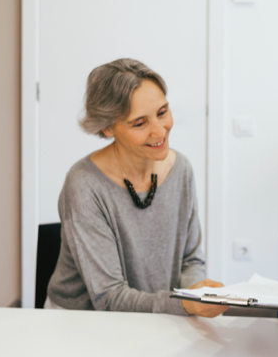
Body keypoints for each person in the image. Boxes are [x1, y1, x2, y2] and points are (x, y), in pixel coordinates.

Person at [45, 58, 227, 318]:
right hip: (80, 321)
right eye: (140, 123)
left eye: (162, 112)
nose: (159, 131)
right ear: (107, 127)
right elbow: (108, 298)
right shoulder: (84, 184)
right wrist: (184, 304)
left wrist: (196, 292)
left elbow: (190, 260)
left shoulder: (181, 169)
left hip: (156, 315)